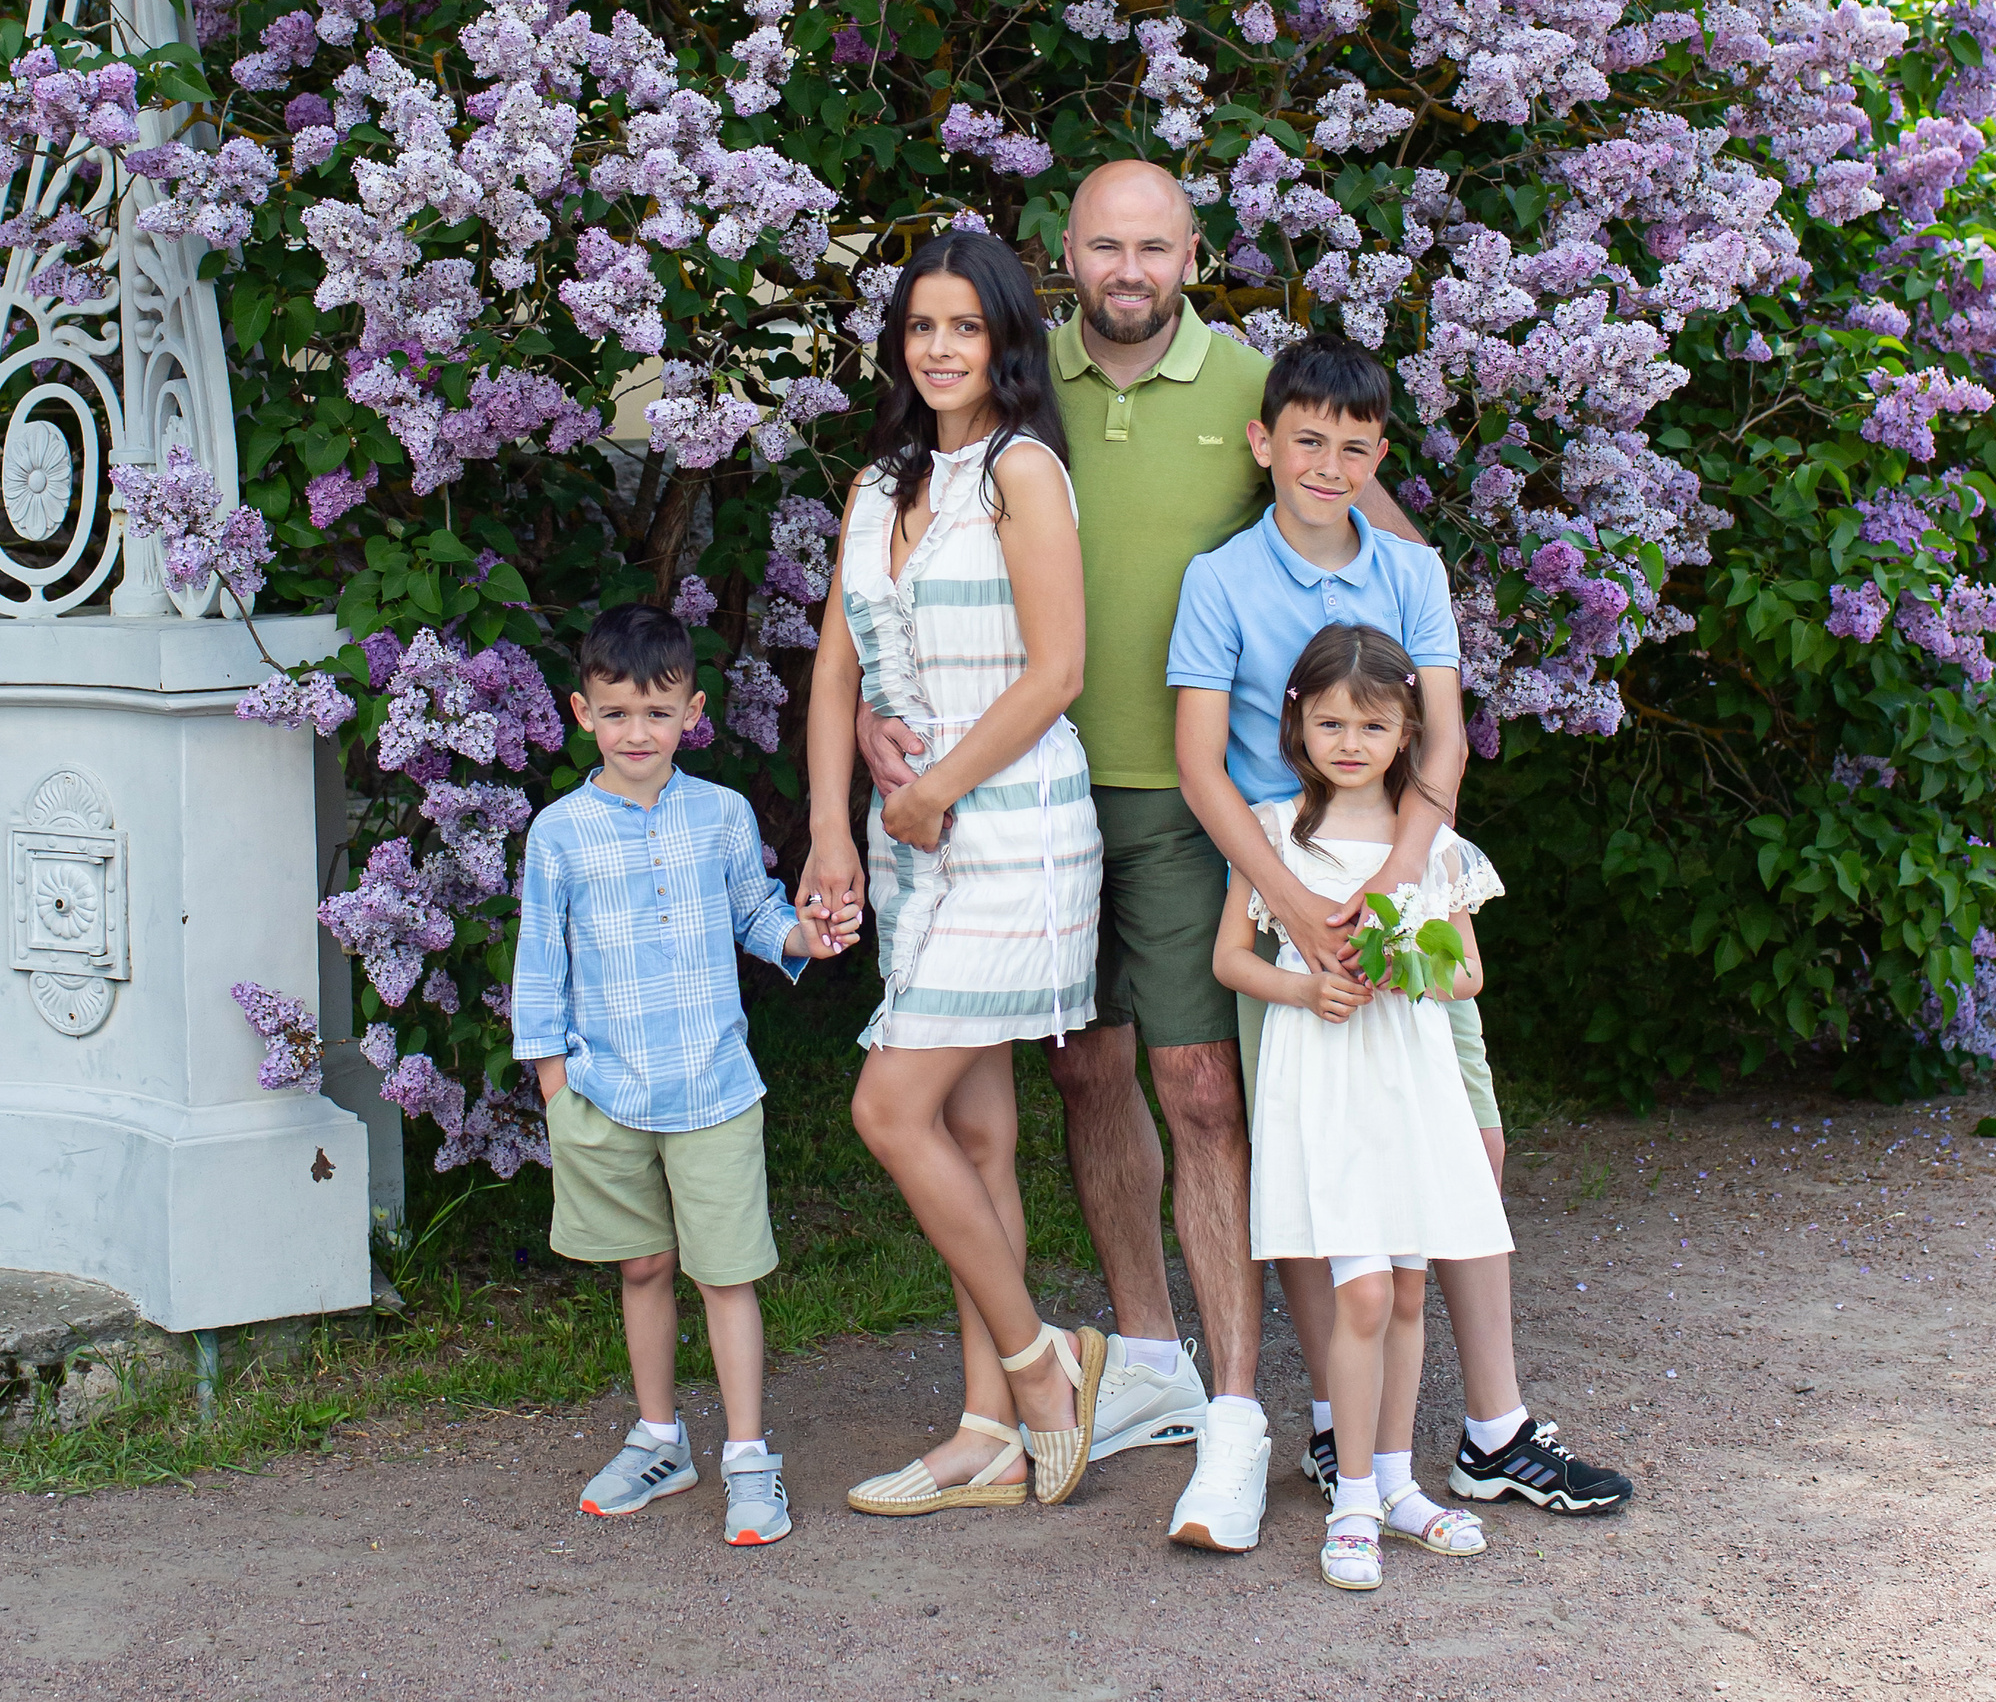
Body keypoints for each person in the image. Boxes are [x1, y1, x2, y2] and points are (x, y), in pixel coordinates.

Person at [859, 164, 1436, 1529]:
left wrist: (1422, 704)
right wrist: (890, 714)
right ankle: (1152, 1356)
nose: (1129, 266)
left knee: (1197, 1084)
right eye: (1105, 243)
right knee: (1085, 1070)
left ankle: (1235, 1402)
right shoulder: (1016, 379)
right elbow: (911, 558)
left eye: (1155, 246)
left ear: (1194, 253)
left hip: (1188, 797)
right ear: (1068, 253)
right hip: (1028, 800)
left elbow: (1368, 525)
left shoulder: (1248, 382)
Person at [1171, 334, 1632, 1529]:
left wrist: (1398, 883)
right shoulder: (1221, 578)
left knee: (1465, 1153)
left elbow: (1442, 742)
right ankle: (1341, 1433)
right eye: (1305, 440)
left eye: (1352, 445)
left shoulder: (1410, 571)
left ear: (1378, 455)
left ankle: (1493, 1432)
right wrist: (1293, 898)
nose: (1327, 464)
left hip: (1407, 891)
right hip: (1288, 893)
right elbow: (1198, 764)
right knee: (1323, 1185)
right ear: (1265, 445)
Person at [801, 228, 1110, 1515]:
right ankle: (987, 1431)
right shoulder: (877, 486)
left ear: (1003, 344)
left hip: (1014, 836)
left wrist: (929, 786)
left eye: (963, 329)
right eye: (920, 328)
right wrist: (832, 829)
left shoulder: (1021, 472)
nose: (939, 350)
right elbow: (835, 670)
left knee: (888, 1109)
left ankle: (1044, 1369)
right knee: (975, 1131)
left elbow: (1057, 671)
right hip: (907, 838)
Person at [513, 602, 852, 1548]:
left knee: (726, 1272)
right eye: (615, 713)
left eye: (657, 714)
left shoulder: (722, 816)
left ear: (692, 714)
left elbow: (756, 914)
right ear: (582, 713)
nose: (636, 732)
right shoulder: (560, 834)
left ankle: (749, 1456)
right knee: (643, 1266)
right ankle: (661, 1438)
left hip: (711, 1087)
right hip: (606, 1093)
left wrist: (805, 936)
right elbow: (540, 966)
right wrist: (555, 1092)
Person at [1213, 623, 1507, 1592]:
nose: (1350, 742)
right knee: (1364, 1289)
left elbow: (1465, 971)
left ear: (1405, 731)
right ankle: (1349, 1500)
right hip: (1327, 1083)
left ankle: (1398, 1485)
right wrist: (1307, 988)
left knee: (1412, 1287)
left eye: (1372, 725)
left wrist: (1406, 966)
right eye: (1330, 721)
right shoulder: (1268, 827)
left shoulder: (1429, 842)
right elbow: (1232, 960)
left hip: (1410, 1084)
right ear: (1297, 719)